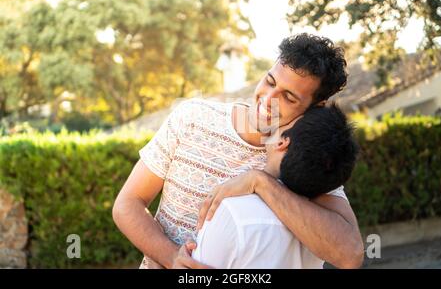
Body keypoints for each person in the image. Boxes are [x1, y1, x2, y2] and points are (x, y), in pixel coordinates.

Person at [112, 33, 364, 269]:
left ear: (316, 106)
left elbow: (349, 254)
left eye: (288, 97)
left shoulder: (308, 154)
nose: (268, 99)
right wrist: (171, 256)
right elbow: (127, 204)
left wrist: (261, 183)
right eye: (270, 81)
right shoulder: (192, 118)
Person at [192, 104, 358, 268]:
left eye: (285, 122)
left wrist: (258, 180)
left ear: (282, 142)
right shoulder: (321, 228)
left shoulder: (231, 212)